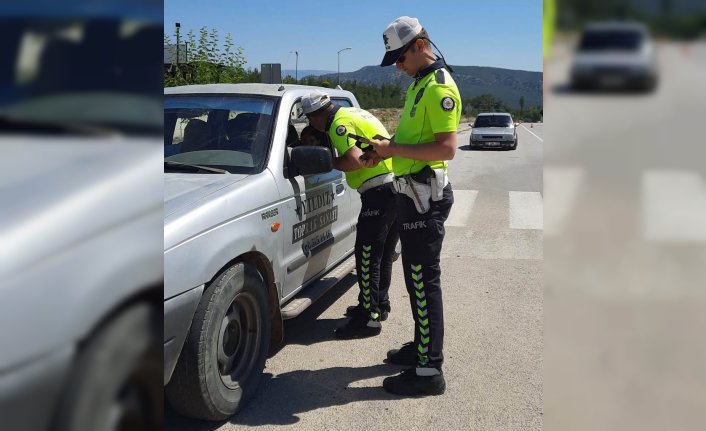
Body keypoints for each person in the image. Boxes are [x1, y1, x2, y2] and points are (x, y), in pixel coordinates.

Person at [364, 16, 460, 396]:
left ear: (420, 45)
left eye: (400, 58)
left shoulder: (438, 88)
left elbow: (446, 149)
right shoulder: (420, 83)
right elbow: (411, 138)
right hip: (412, 193)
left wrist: (394, 150)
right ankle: (423, 348)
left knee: (423, 281)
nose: (398, 67)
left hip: (425, 198)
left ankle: (428, 371)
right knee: (416, 280)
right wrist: (384, 149)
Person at [300, 90, 399, 340]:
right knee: (383, 254)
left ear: (315, 117)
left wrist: (330, 161)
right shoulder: (352, 112)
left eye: (311, 120)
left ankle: (368, 320)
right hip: (395, 187)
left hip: (379, 191)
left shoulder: (339, 125)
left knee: (366, 256)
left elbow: (354, 161)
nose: (312, 124)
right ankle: (378, 305)